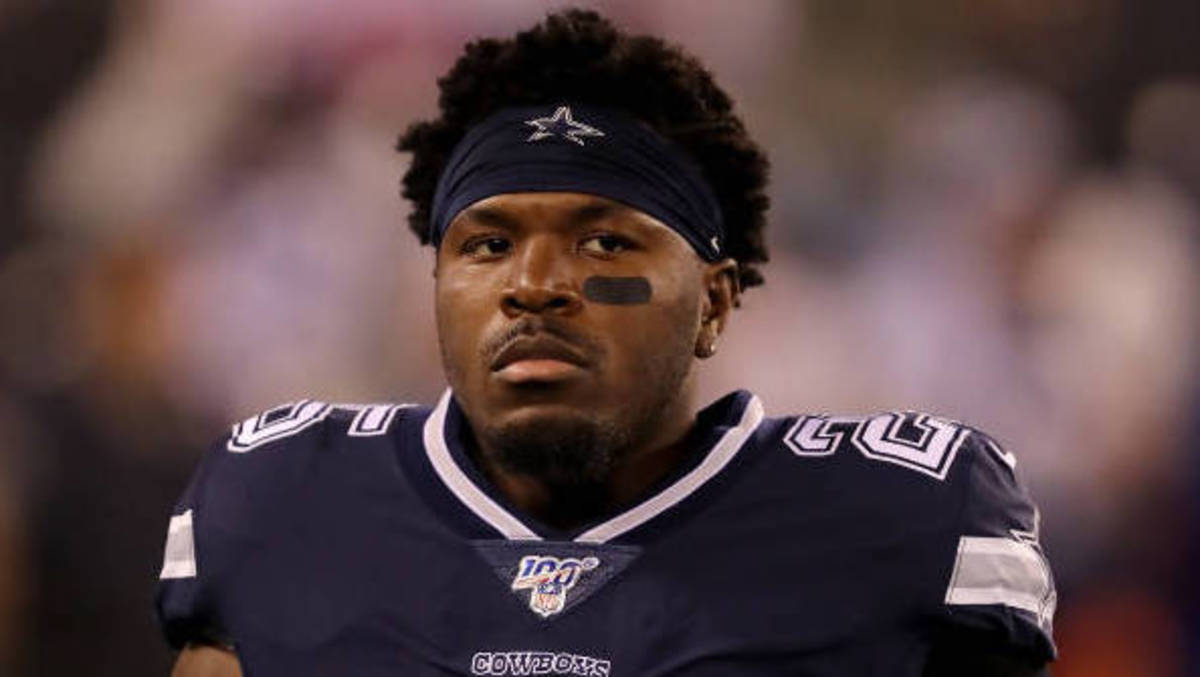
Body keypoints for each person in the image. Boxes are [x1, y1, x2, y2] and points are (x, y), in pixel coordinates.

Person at [157, 10, 1056, 676]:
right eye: (488, 243)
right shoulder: (283, 499)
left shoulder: (902, 519)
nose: (534, 284)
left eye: (605, 242)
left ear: (715, 301)